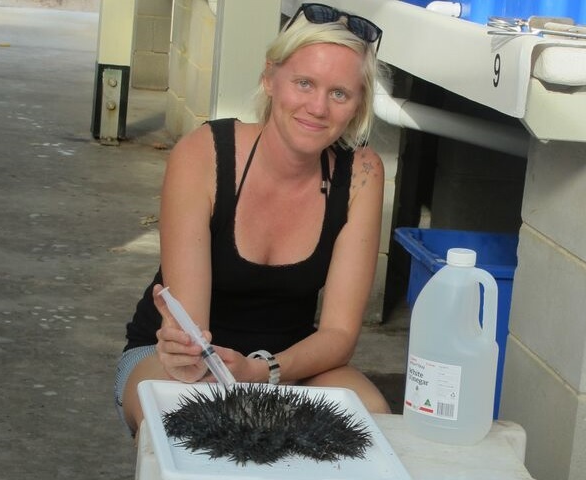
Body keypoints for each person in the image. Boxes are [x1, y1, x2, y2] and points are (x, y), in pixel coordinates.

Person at [114, 3, 390, 437]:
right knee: (192, 418)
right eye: (304, 83)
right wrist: (192, 350)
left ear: (357, 106)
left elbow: (339, 333)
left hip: (287, 364)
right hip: (181, 360)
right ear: (269, 77)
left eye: (339, 93)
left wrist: (262, 370)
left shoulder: (362, 175)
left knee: (374, 417)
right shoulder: (205, 153)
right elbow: (194, 339)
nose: (317, 107)